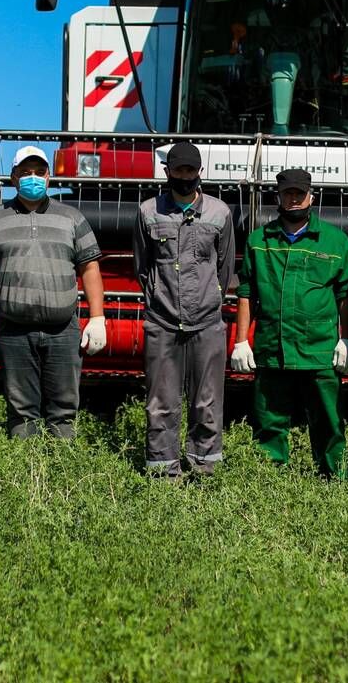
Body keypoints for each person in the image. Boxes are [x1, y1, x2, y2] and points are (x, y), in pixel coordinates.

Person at [0, 145, 105, 439]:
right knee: (21, 411)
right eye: (25, 173)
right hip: (12, 330)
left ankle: (61, 473)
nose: (33, 178)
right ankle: (24, 477)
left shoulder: (72, 218)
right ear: (13, 178)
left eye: (39, 172)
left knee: (64, 410)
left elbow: (90, 268)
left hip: (63, 330)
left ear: (49, 177)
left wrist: (97, 317)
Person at [231, 168, 348, 477]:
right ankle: (270, 483)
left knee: (328, 422)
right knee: (269, 422)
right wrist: (241, 340)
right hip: (274, 348)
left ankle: (333, 481)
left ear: (312, 196)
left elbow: (345, 294)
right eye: (288, 193)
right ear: (279, 197)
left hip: (320, 349)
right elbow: (246, 291)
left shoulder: (335, 242)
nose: (295, 199)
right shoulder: (259, 241)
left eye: (300, 193)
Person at [132, 141, 235, 479]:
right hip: (162, 322)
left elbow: (224, 267)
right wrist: (159, 297)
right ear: (167, 172)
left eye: (191, 171)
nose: (185, 177)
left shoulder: (220, 213)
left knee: (207, 402)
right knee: (161, 403)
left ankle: (205, 470)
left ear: (199, 172)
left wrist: (209, 300)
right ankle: (164, 474)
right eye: (179, 171)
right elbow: (143, 267)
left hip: (207, 323)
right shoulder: (148, 212)